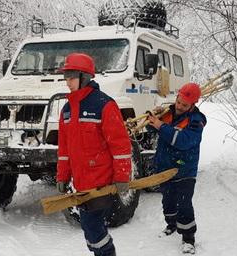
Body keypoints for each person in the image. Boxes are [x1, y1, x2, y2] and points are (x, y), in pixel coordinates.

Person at [55, 52, 132, 256]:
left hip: (101, 182)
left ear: (85, 77)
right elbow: (64, 149)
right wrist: (63, 176)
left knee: (92, 227)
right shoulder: (67, 111)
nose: (67, 82)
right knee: (90, 228)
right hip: (80, 183)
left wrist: (122, 176)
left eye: (71, 77)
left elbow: (120, 145)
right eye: (66, 77)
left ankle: (106, 253)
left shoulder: (104, 105)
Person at [147, 82, 206, 255]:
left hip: (184, 168)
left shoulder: (197, 121)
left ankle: (188, 238)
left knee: (184, 203)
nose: (179, 106)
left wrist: (160, 126)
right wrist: (153, 119)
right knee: (168, 200)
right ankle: (171, 225)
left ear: (193, 105)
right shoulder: (167, 112)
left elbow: (184, 141)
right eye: (178, 101)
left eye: (184, 105)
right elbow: (152, 132)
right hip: (165, 167)